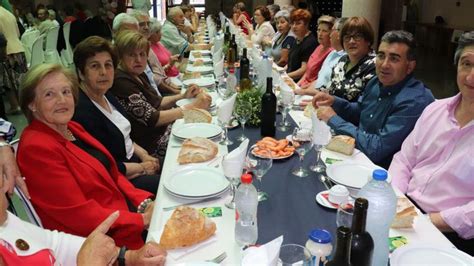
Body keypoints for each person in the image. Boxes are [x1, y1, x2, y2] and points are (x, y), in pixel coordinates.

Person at [17, 64, 155, 249]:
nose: (62, 100)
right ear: (32, 104)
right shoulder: (36, 148)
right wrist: (142, 220)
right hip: (102, 243)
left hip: (124, 218)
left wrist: (144, 203)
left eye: (66, 92)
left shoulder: (72, 128)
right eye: (49, 94)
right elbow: (78, 215)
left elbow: (112, 174)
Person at [389, 31, 474, 256]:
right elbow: (404, 158)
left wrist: (427, 222)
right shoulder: (435, 109)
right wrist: (396, 201)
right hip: (404, 210)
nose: (471, 77)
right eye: (466, 64)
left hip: (450, 233)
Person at [312, 30, 435, 168]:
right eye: (381, 56)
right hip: (357, 156)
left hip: (381, 173)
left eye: (394, 58)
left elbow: (377, 149)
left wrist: (333, 119)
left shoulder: (414, 100)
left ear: (410, 66)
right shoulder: (376, 81)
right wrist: (335, 102)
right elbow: (361, 110)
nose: (384, 65)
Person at [72, 36, 160, 194]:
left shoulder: (106, 95)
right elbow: (102, 165)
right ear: (81, 73)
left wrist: (144, 155)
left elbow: (126, 137)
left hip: (135, 161)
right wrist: (142, 167)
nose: (104, 72)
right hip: (120, 181)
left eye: (108, 65)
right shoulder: (81, 112)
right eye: (95, 66)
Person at [110, 30, 211, 158]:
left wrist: (183, 96)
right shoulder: (121, 82)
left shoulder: (137, 73)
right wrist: (193, 107)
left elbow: (157, 101)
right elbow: (153, 119)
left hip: (163, 130)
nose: (138, 59)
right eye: (132, 55)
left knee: (205, 122)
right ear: (121, 57)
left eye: (142, 54)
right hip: (153, 144)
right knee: (203, 141)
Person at [321, 16, 376, 102]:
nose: (351, 41)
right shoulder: (342, 61)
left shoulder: (374, 65)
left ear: (368, 40)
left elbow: (364, 105)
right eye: (347, 37)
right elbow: (330, 90)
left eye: (357, 36)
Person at [295, 17, 347, 96]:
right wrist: (300, 88)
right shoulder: (332, 53)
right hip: (310, 91)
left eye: (332, 30)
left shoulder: (344, 58)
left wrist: (304, 91)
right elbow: (319, 79)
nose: (330, 34)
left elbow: (331, 92)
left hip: (321, 98)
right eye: (318, 30)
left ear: (340, 34)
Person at [0, 5, 27, 115]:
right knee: (20, 80)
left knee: (8, 82)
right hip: (18, 47)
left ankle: (15, 106)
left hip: (7, 50)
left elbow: (0, 38)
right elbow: (18, 32)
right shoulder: (8, 13)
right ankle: (23, 102)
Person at [296, 15, 335, 88]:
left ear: (331, 33)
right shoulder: (319, 47)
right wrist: (297, 85)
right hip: (303, 85)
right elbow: (307, 73)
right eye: (319, 30)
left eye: (324, 31)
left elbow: (320, 80)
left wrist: (300, 89)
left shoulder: (331, 53)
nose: (320, 34)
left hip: (312, 89)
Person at [286, 9, 317, 82]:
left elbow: (303, 70)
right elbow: (291, 63)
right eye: (292, 23)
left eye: (298, 23)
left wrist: (284, 76)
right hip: (290, 77)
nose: (294, 26)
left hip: (299, 82)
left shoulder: (310, 42)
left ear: (306, 24)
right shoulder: (297, 38)